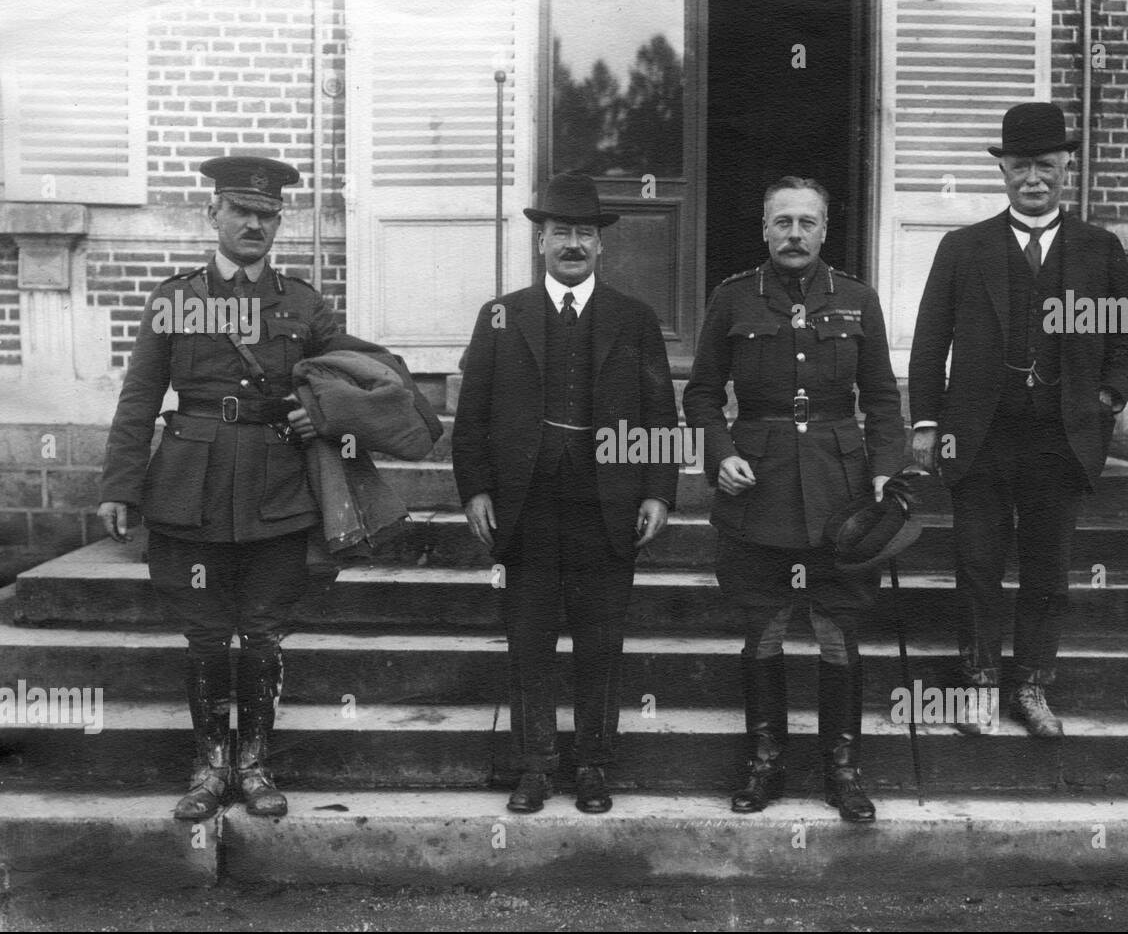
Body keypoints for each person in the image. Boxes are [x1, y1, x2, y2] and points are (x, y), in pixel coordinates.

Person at [98, 155, 441, 820]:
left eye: (267, 215)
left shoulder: (304, 303)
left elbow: (363, 371)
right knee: (203, 635)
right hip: (188, 485)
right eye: (242, 212)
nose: (254, 224)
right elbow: (140, 394)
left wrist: (325, 412)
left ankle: (253, 767)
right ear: (214, 215)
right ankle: (207, 769)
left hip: (279, 487)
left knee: (262, 632)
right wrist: (120, 486)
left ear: (279, 222)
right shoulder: (175, 300)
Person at [908, 103, 1128, 737]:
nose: (1033, 178)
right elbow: (931, 343)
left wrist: (1105, 400)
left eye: (1045, 164)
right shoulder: (963, 248)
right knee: (978, 564)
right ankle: (981, 686)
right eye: (1020, 166)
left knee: (1047, 568)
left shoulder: (1099, 249)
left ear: (1065, 166)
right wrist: (926, 424)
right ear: (1003, 170)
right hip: (979, 434)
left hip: (1060, 436)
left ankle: (1033, 687)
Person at [452, 172, 679, 814]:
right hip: (524, 502)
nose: (572, 244)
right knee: (528, 636)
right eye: (560, 233)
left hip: (606, 500)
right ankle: (534, 765)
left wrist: (658, 492)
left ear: (601, 246)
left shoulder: (634, 320)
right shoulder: (500, 316)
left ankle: (594, 766)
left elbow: (661, 415)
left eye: (584, 233)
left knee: (600, 636)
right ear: (540, 241)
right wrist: (474, 492)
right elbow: (472, 418)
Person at [683, 176, 906, 822]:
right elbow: (701, 393)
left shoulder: (858, 300)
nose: (794, 234)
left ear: (825, 230)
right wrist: (720, 454)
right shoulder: (732, 299)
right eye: (782, 222)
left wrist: (887, 471)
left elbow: (884, 400)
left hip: (840, 490)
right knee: (765, 628)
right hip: (759, 484)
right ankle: (765, 761)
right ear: (763, 229)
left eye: (807, 222)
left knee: (838, 630)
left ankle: (843, 767)